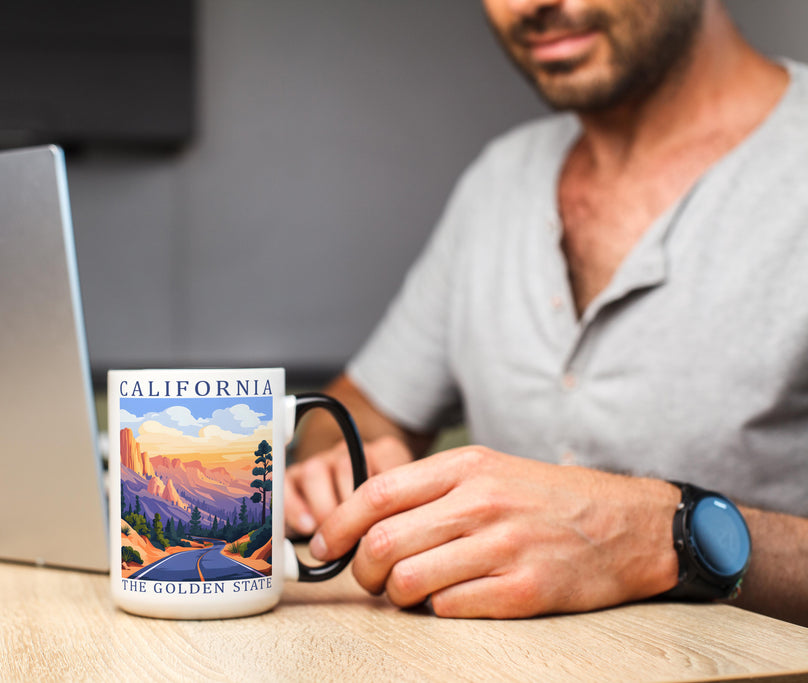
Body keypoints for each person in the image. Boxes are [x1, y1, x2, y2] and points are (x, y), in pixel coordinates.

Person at [284, 0, 808, 626]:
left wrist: (658, 536)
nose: (532, 5)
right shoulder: (498, 182)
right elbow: (360, 408)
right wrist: (346, 462)